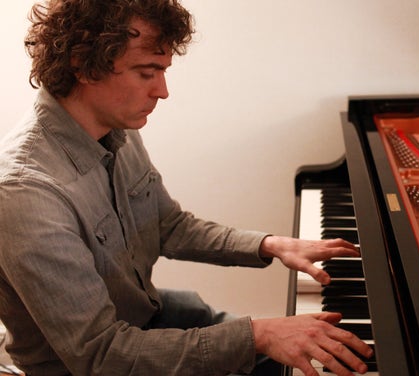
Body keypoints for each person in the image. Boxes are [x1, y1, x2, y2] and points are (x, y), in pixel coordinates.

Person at [0, 0, 373, 375]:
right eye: (147, 72)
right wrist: (258, 335)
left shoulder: (114, 129)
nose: (162, 91)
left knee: (314, 347)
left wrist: (269, 244)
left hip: (154, 318)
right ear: (83, 65)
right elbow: (102, 354)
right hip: (103, 362)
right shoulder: (26, 194)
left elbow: (168, 224)